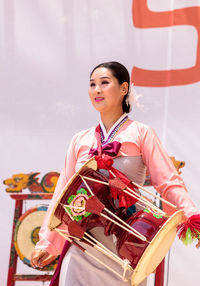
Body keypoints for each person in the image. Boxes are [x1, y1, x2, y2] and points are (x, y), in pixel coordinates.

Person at [31, 61, 200, 286]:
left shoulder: (142, 133)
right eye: (92, 84)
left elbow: (168, 181)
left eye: (104, 82)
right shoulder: (80, 140)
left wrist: (192, 218)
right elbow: (62, 194)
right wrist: (47, 243)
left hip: (128, 247)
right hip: (84, 243)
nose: (97, 90)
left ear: (123, 89)